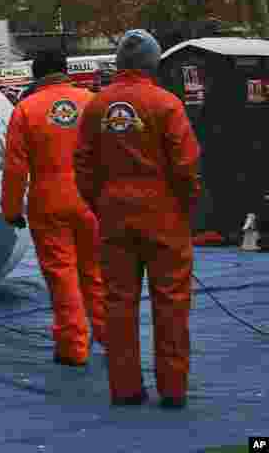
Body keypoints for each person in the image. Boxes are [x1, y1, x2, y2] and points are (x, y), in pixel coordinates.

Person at [74, 29, 201, 410]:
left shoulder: (97, 106)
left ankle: (125, 387)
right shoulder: (166, 104)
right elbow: (186, 165)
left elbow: (82, 164)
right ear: (154, 62)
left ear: (119, 63)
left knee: (118, 301)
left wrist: (102, 203)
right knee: (172, 301)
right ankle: (173, 387)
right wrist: (185, 207)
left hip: (114, 213)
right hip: (163, 213)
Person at [1, 49, 106, 366]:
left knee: (62, 275)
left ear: (36, 75)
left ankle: (73, 346)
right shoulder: (92, 102)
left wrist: (11, 209)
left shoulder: (26, 109)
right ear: (65, 71)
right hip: (93, 198)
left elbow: (16, 167)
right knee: (97, 272)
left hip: (49, 197)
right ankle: (112, 335)